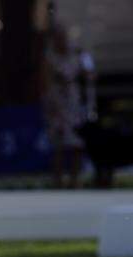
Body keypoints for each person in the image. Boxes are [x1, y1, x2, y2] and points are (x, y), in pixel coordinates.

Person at [41, 18, 88, 188]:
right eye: (57, 37)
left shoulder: (77, 53)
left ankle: (75, 179)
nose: (60, 40)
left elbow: (89, 72)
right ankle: (58, 180)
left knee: (77, 143)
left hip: (74, 103)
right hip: (57, 102)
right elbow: (45, 81)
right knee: (58, 144)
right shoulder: (49, 57)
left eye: (62, 36)